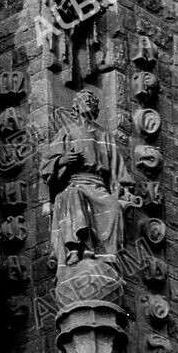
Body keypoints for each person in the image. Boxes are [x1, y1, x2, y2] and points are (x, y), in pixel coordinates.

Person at [40, 91, 140, 267]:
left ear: (96, 108)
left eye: (92, 100)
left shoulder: (104, 135)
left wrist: (125, 192)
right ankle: (78, 248)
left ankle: (108, 258)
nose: (88, 102)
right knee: (73, 196)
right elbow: (46, 167)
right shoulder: (66, 132)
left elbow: (117, 169)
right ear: (76, 106)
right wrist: (64, 161)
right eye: (83, 100)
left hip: (99, 186)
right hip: (76, 183)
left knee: (114, 207)